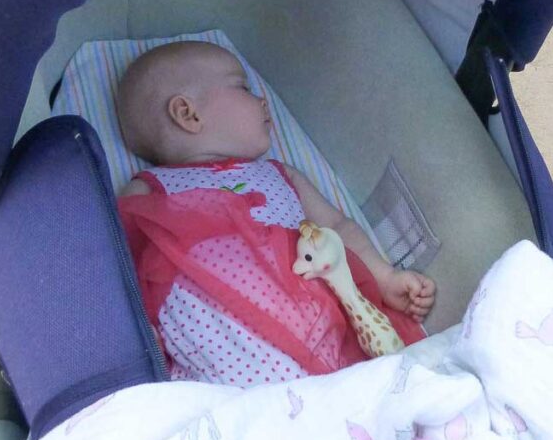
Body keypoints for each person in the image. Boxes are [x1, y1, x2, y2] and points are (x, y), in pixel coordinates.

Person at [116, 41, 435, 385]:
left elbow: (336, 227)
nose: (263, 100)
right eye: (243, 87)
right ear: (188, 114)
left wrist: (384, 277)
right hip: (216, 343)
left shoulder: (279, 175)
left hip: (314, 334)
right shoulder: (150, 189)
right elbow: (114, 270)